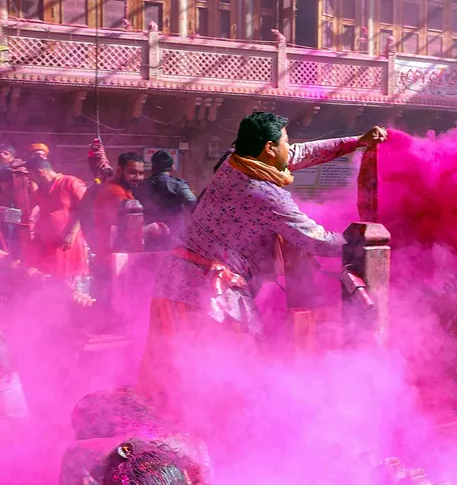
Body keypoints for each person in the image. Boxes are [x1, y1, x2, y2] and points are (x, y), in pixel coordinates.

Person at [138, 112, 386, 411]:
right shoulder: (265, 194)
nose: (290, 149)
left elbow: (299, 153)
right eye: (285, 142)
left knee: (174, 377)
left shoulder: (235, 162)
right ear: (269, 148)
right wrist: (363, 241)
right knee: (225, 381)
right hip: (209, 296)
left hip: (174, 282)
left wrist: (356, 142)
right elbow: (317, 241)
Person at [22, 157, 89, 279]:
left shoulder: (70, 182)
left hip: (69, 243)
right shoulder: (40, 191)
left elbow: (85, 208)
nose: (30, 179)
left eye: (30, 175)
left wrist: (71, 233)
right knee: (53, 282)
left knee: (71, 282)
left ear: (39, 172)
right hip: (49, 245)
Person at [139, 150, 197, 251]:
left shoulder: (141, 185)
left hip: (150, 235)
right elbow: (194, 205)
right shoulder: (179, 185)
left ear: (153, 167)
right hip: (174, 236)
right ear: (171, 167)